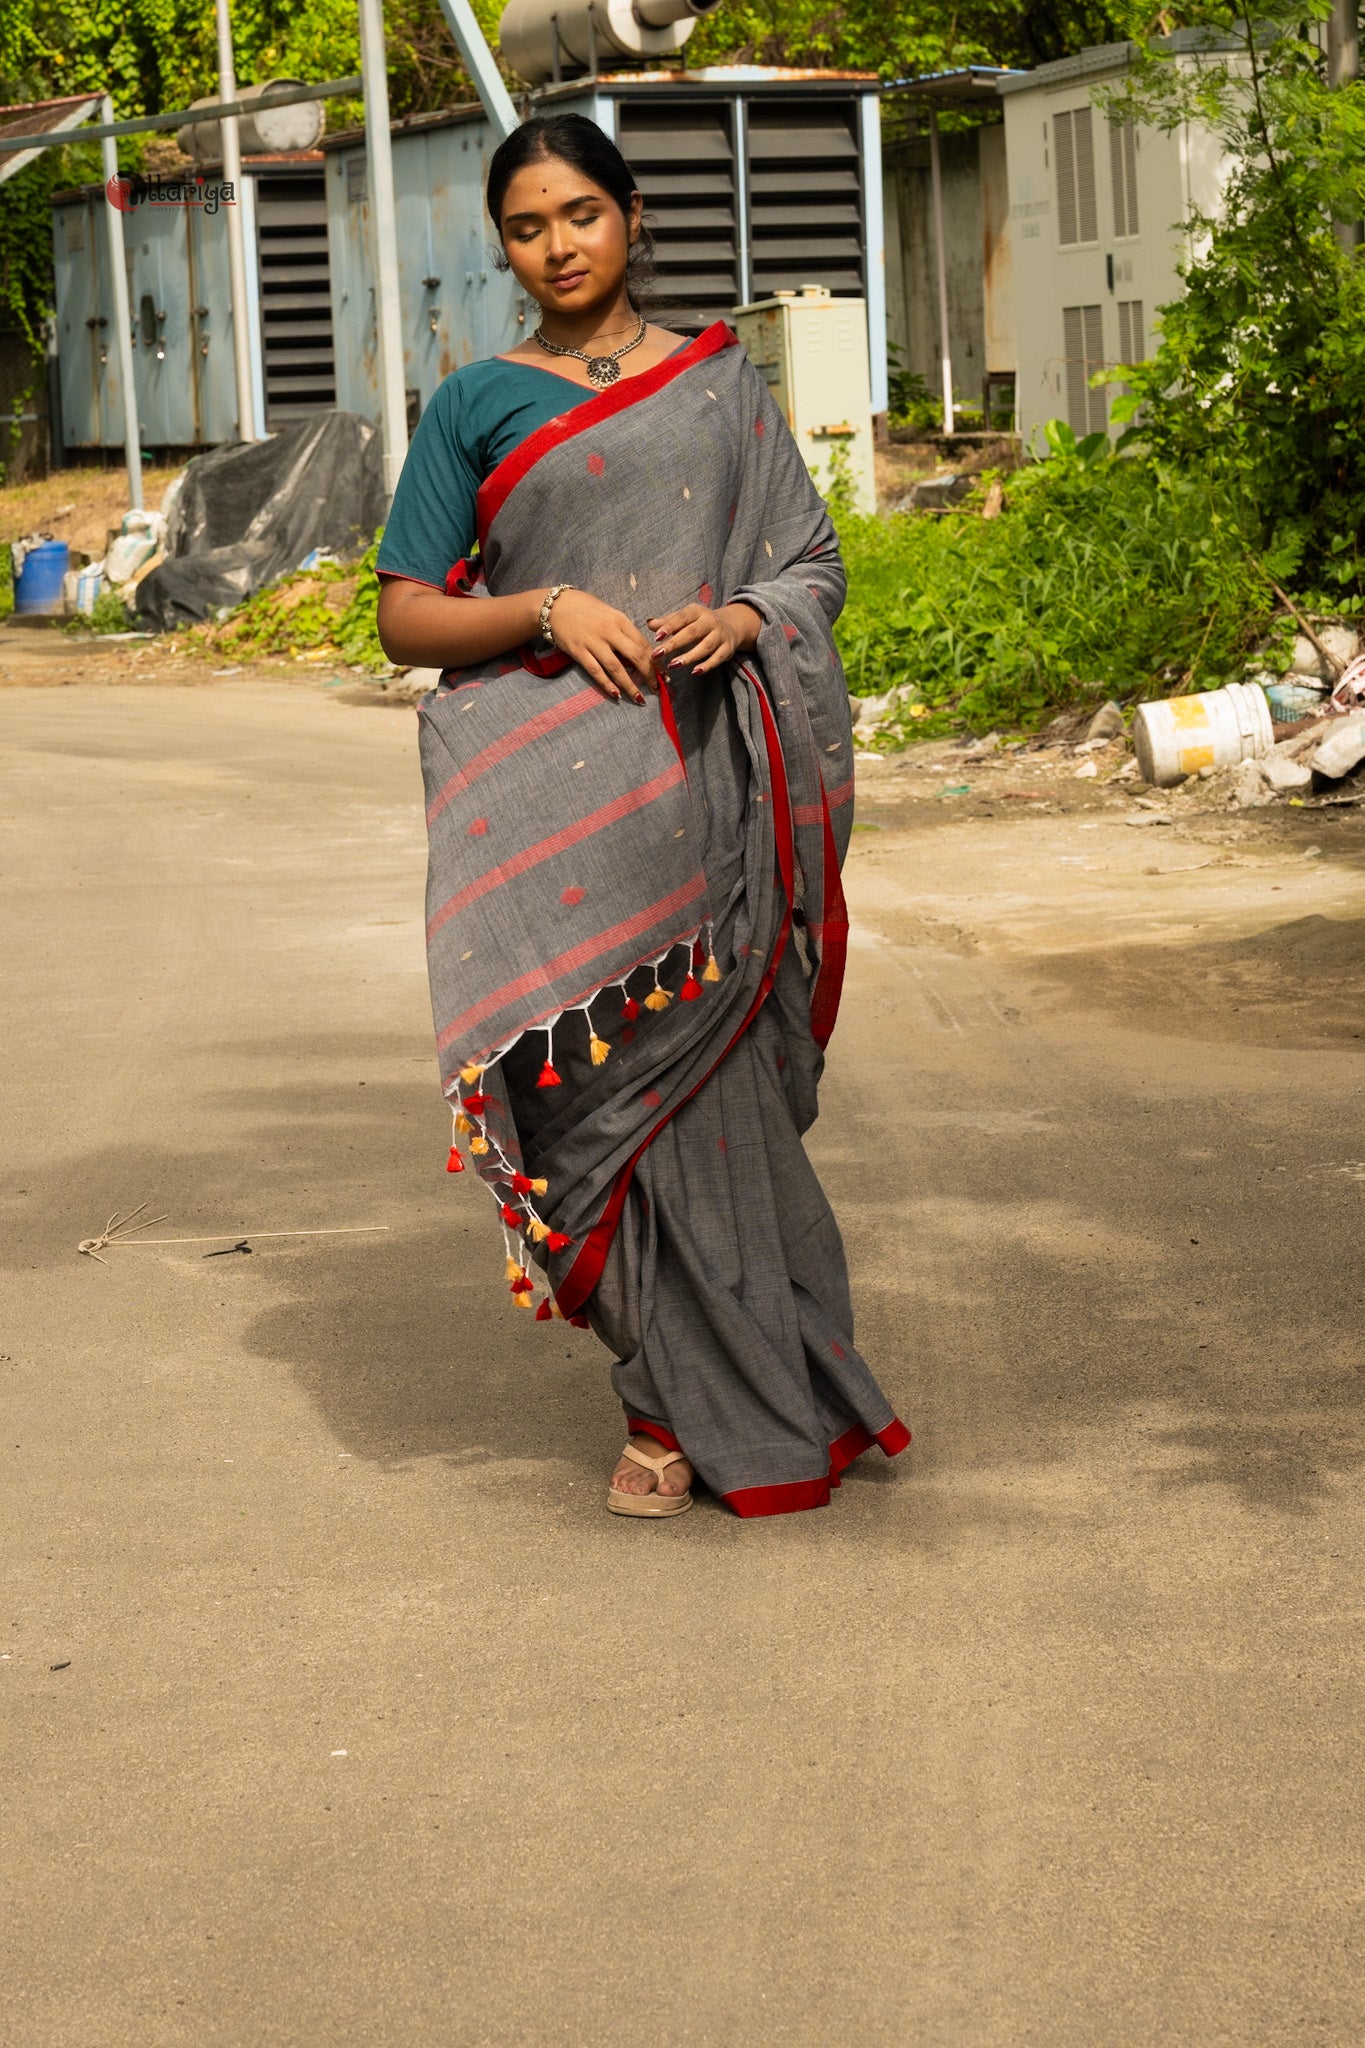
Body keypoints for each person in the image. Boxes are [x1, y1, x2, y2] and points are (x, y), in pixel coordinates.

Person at [376, 113, 909, 1519]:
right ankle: (655, 1389)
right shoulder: (476, 402)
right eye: (526, 226)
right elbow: (405, 609)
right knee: (581, 1117)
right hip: (556, 811)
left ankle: (711, 1407)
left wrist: (743, 615)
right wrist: (547, 604)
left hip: (714, 794)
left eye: (579, 216)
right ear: (505, 245)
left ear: (628, 216)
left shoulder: (721, 386)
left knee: (719, 1109)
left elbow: (809, 560)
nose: (556, 246)